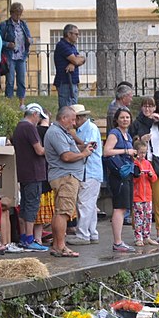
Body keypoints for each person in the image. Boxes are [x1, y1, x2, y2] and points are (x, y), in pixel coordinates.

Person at [46, 106, 95, 257]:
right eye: (72, 119)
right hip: (65, 176)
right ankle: (61, 246)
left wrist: (83, 147)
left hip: (66, 176)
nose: (74, 123)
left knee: (60, 212)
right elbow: (66, 156)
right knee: (64, 213)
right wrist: (84, 153)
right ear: (63, 118)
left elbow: (70, 149)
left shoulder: (62, 132)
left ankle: (56, 245)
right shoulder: (55, 133)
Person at [129, 98, 159, 244]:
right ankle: (139, 233)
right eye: (145, 106)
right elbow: (133, 139)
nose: (148, 109)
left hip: (158, 162)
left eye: (151, 106)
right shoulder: (138, 123)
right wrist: (142, 138)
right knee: (139, 201)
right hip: (143, 163)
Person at [11, 104, 49, 251]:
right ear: (34, 114)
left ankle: (23, 237)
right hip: (34, 173)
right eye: (39, 117)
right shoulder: (29, 127)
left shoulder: (19, 127)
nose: (39, 120)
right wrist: (52, 150)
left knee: (25, 206)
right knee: (32, 206)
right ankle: (29, 238)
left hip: (23, 173)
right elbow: (39, 150)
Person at [103, 107, 137, 253]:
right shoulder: (114, 133)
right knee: (119, 207)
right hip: (118, 175)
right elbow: (106, 151)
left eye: (127, 117)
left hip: (126, 173)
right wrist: (125, 151)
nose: (125, 120)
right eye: (122, 117)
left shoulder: (127, 135)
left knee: (123, 207)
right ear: (116, 120)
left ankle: (119, 240)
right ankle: (117, 242)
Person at [70, 103, 102, 245]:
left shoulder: (90, 128)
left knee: (84, 203)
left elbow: (90, 147)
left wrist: (72, 146)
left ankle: (83, 234)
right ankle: (92, 232)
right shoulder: (86, 129)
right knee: (90, 204)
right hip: (90, 171)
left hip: (90, 170)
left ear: (79, 118)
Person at [0, 2, 33, 105]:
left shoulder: (23, 24)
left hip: (21, 56)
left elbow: (30, 38)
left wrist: (29, 40)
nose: (18, 16)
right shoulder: (5, 25)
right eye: (16, 13)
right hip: (10, 56)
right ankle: (8, 101)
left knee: (21, 80)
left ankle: (21, 103)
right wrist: (7, 44)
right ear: (11, 13)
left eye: (20, 13)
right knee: (10, 80)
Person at [53, 24, 86, 109]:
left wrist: (73, 63)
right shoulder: (62, 45)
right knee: (66, 109)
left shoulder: (72, 46)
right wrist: (74, 61)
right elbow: (76, 60)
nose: (77, 36)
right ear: (68, 34)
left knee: (74, 107)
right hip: (65, 81)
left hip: (73, 81)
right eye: (76, 34)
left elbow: (82, 58)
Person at [132, 139, 155, 247]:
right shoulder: (134, 163)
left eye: (144, 152)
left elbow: (154, 178)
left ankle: (147, 236)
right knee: (138, 218)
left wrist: (150, 175)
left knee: (148, 217)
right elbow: (133, 180)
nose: (143, 155)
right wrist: (138, 175)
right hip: (138, 196)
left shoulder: (147, 163)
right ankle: (138, 237)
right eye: (141, 152)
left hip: (148, 196)